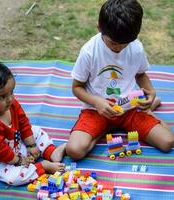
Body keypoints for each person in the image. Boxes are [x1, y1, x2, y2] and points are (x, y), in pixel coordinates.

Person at [66, 0, 174, 160]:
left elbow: (140, 74)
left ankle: (147, 108)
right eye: (113, 43)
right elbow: (77, 87)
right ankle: (106, 128)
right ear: (99, 28)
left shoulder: (135, 47)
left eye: (125, 44)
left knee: (168, 142)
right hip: (97, 110)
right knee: (74, 151)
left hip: (129, 106)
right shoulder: (89, 51)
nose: (119, 48)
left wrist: (150, 91)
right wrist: (97, 102)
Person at [0, 61, 66, 186]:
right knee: (14, 177)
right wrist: (19, 160)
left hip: (16, 143)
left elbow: (23, 123)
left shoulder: (11, 104)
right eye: (2, 97)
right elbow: (0, 151)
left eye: (11, 92)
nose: (10, 99)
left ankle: (51, 151)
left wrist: (31, 145)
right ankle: (43, 167)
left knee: (36, 130)